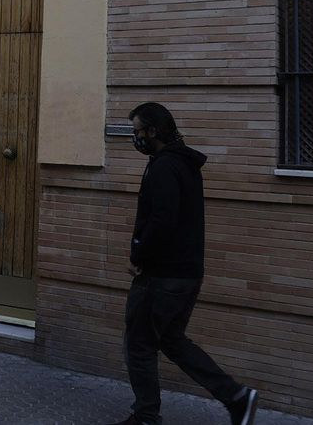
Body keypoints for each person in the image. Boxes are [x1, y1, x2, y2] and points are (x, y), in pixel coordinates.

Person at [108, 102, 259, 425]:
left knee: (139, 345)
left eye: (137, 131)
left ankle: (146, 416)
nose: (136, 138)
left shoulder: (164, 167)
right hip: (186, 274)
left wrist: (138, 256)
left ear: (152, 131)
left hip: (162, 276)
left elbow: (162, 220)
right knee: (171, 340)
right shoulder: (184, 164)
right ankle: (236, 397)